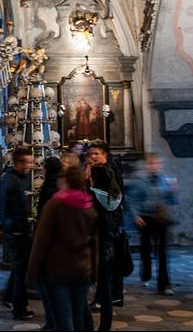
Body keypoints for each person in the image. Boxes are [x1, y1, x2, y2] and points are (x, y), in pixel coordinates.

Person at [26, 164, 99, 331]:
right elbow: (94, 242)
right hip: (82, 268)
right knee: (78, 313)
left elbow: (41, 241)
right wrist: (94, 271)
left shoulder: (55, 204)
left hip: (58, 268)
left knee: (63, 315)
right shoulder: (88, 205)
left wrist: (32, 273)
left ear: (65, 181)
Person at [86, 140, 123, 331]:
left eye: (95, 154)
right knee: (105, 281)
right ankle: (105, 322)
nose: (91, 158)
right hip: (110, 234)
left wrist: (87, 182)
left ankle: (96, 324)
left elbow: (93, 211)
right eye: (89, 154)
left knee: (99, 279)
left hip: (101, 236)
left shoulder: (97, 184)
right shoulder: (113, 181)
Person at [128, 153, 177, 295]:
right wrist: (136, 215)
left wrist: (173, 192)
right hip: (145, 218)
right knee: (146, 249)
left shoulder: (165, 180)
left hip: (160, 219)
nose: (155, 166)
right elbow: (131, 199)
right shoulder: (139, 181)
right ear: (148, 165)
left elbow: (171, 201)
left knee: (162, 252)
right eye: (152, 164)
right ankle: (146, 271)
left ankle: (164, 284)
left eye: (158, 163)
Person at [0, 146, 35, 320]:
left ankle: (8, 296)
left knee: (19, 268)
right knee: (21, 271)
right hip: (16, 230)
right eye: (28, 162)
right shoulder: (12, 180)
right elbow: (16, 207)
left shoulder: (18, 178)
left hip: (17, 228)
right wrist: (22, 226)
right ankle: (20, 308)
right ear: (18, 162)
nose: (31, 165)